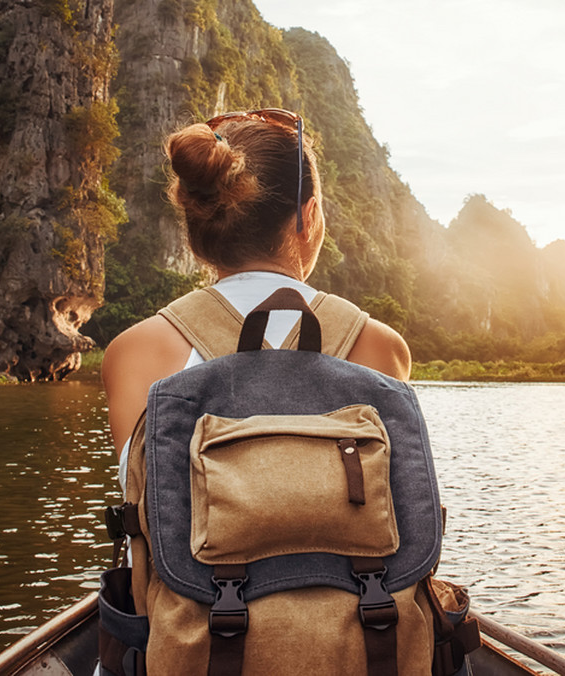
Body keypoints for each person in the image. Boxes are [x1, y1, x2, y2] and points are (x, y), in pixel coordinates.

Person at [101, 108, 411, 458]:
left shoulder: (135, 352)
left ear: (194, 229)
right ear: (308, 219)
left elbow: (143, 503)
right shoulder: (377, 347)